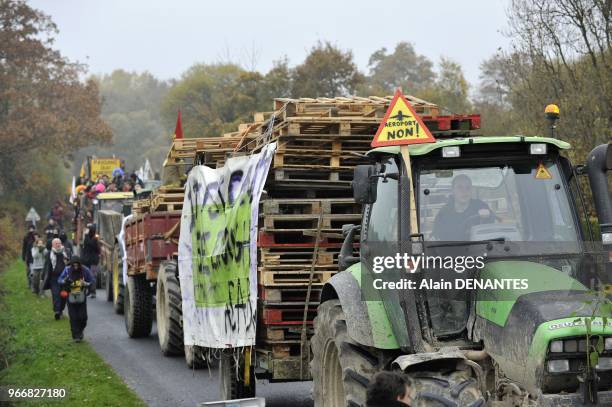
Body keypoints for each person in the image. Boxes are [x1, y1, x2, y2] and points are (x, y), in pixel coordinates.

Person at [432, 174, 496, 241]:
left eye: (468, 188)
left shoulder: (480, 206)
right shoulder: (444, 213)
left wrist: (488, 215)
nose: (464, 191)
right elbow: (436, 235)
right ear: (453, 190)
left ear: (471, 190)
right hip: (452, 249)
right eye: (460, 187)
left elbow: (493, 223)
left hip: (477, 248)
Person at [58, 256, 94, 342]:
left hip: (81, 297)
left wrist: (85, 283)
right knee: (73, 317)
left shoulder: (85, 270)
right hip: (70, 297)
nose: (75, 267)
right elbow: (59, 279)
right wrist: (65, 281)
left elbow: (92, 280)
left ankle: (80, 330)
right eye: (73, 265)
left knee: (83, 317)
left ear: (79, 264)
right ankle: (76, 336)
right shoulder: (66, 270)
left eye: (77, 265)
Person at [42, 238, 69, 320]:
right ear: (53, 245)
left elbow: (70, 263)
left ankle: (60, 310)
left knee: (63, 295)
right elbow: (46, 266)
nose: (58, 245)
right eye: (56, 243)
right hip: (54, 278)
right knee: (56, 294)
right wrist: (43, 277)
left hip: (64, 278)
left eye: (59, 243)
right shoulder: (49, 254)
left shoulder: (65, 252)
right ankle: (57, 311)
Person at [81, 224, 100, 299]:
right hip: (86, 260)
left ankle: (93, 292)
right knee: (86, 276)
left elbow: (91, 244)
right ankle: (88, 291)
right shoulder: (87, 238)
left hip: (93, 261)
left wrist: (86, 235)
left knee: (92, 276)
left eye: (88, 229)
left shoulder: (94, 238)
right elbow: (85, 245)